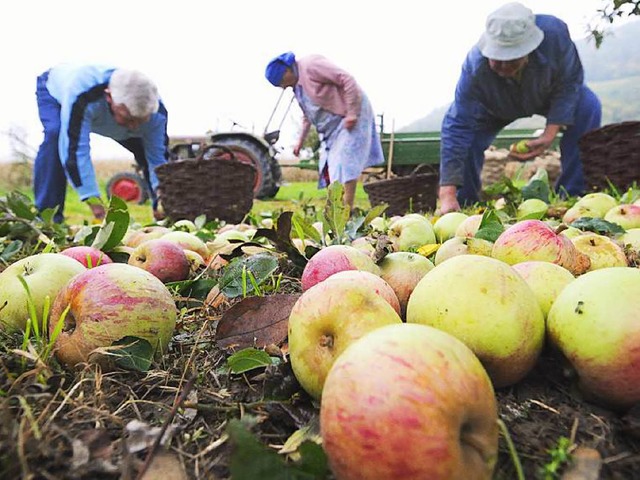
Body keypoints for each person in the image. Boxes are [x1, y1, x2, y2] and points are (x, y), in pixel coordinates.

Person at [438, 2, 602, 214]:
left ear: (530, 49)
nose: (504, 66)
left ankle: (573, 194)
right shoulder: (474, 67)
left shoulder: (555, 35)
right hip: (492, 107)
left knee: (587, 105)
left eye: (512, 58)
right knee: (467, 140)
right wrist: (447, 193)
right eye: (498, 59)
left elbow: (570, 82)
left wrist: (549, 133)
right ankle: (464, 203)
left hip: (545, 95)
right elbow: (458, 125)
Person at [33, 64, 169, 223]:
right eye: (129, 119)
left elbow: (159, 161)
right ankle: (47, 220)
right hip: (54, 90)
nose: (134, 127)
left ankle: (162, 216)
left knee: (146, 151)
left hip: (109, 113)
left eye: (140, 121)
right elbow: (75, 152)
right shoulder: (82, 95)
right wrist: (97, 207)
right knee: (56, 136)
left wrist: (163, 198)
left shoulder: (156, 113)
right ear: (109, 97)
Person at [264, 52, 384, 211]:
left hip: (351, 114)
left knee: (345, 161)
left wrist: (352, 113)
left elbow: (346, 79)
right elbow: (308, 116)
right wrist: (300, 142)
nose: (284, 87)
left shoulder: (311, 65)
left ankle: (346, 210)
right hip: (333, 128)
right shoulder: (297, 88)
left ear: (287, 71)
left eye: (281, 83)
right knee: (330, 166)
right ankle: (336, 210)